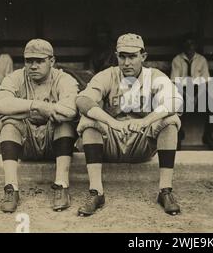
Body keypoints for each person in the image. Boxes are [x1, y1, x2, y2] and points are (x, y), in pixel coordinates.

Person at [76, 33, 183, 216]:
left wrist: (146, 121)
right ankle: (96, 192)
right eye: (122, 56)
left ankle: (165, 190)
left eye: (132, 56)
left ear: (143, 56)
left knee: (171, 121)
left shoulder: (154, 76)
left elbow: (176, 101)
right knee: (88, 121)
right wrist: (111, 122)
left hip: (142, 142)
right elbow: (83, 100)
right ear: (116, 56)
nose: (127, 62)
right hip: (112, 142)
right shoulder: (108, 75)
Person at [0, 39, 79, 213]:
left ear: (52, 61)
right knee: (8, 122)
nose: (33, 66)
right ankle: (11, 188)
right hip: (25, 144)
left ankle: (61, 185)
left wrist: (20, 109)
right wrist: (37, 106)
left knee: (64, 123)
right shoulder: (15, 77)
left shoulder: (63, 79)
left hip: (54, 143)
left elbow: (70, 110)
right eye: (29, 61)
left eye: (39, 61)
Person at [170, 35, 213, 150]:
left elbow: (205, 81)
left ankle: (208, 135)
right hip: (182, 90)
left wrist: (196, 97)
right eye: (187, 44)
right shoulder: (177, 60)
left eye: (192, 44)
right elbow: (175, 82)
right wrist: (187, 96)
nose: (190, 47)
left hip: (198, 89)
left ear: (196, 46)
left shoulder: (201, 60)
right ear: (183, 46)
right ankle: (179, 136)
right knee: (176, 106)